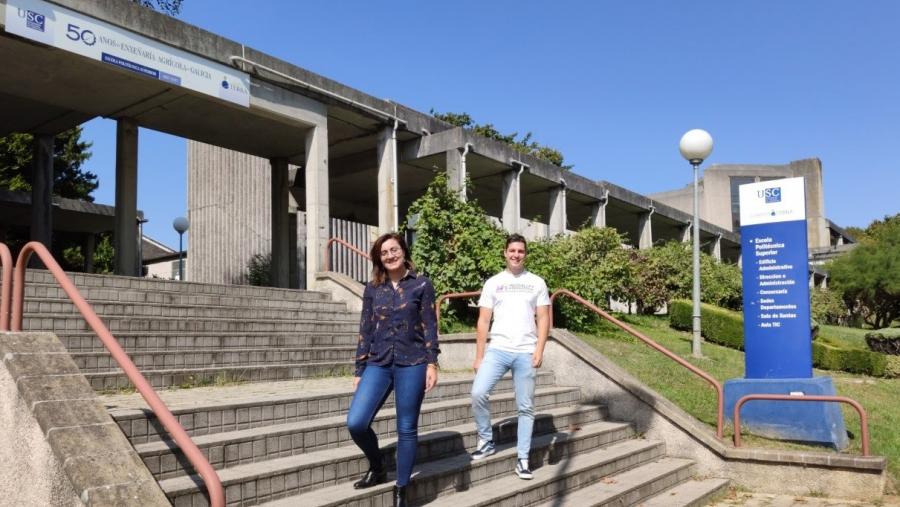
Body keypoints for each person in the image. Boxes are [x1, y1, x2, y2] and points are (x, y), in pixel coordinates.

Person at [346, 232, 439, 507]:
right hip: (379, 361)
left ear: (403, 251)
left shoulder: (421, 284)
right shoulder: (373, 287)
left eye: (393, 250)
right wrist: (359, 368)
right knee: (356, 422)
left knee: (406, 428)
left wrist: (432, 362)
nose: (389, 255)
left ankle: (401, 489)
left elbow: (430, 326)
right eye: (384, 252)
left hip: (413, 361)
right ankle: (377, 467)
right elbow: (365, 329)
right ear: (379, 258)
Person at [470, 233, 550, 480]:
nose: (516, 255)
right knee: (478, 392)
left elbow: (544, 318)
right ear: (505, 252)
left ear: (525, 254)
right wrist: (479, 355)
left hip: (526, 351)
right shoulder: (493, 282)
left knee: (525, 407)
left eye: (521, 251)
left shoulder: (537, 282)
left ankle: (523, 458)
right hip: (498, 349)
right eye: (512, 250)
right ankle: (486, 440)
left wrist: (539, 350)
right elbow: (483, 320)